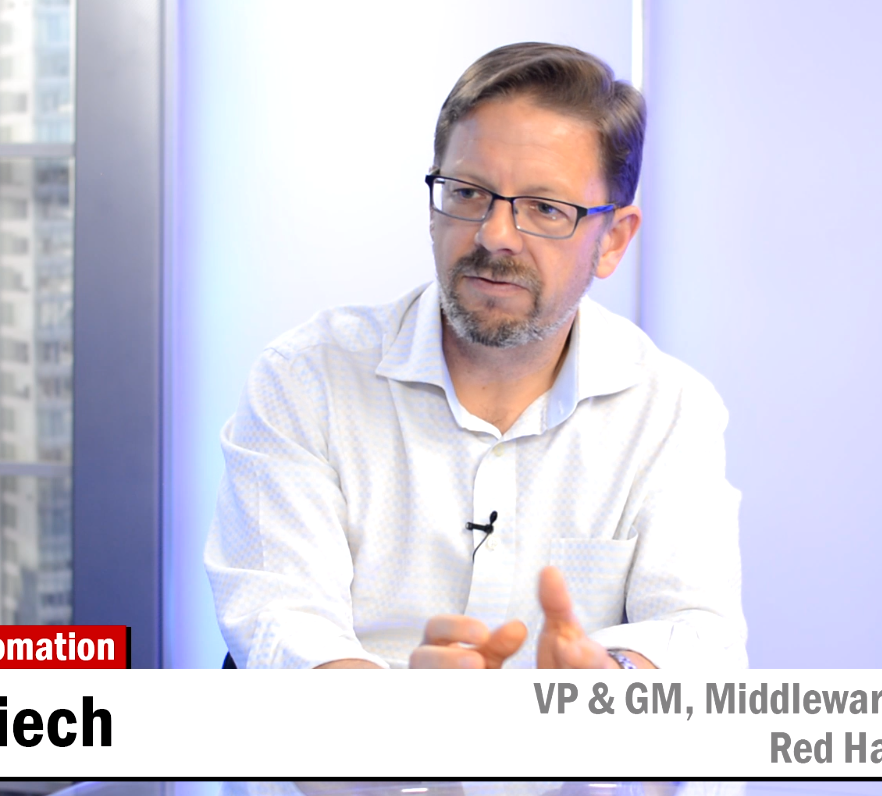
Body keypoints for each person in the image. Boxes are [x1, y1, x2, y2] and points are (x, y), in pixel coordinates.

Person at [205, 42, 747, 670]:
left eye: (546, 208)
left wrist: (611, 680)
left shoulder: (669, 409)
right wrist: (398, 715)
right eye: (467, 193)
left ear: (613, 241)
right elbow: (280, 623)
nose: (494, 235)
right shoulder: (306, 378)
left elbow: (698, 635)